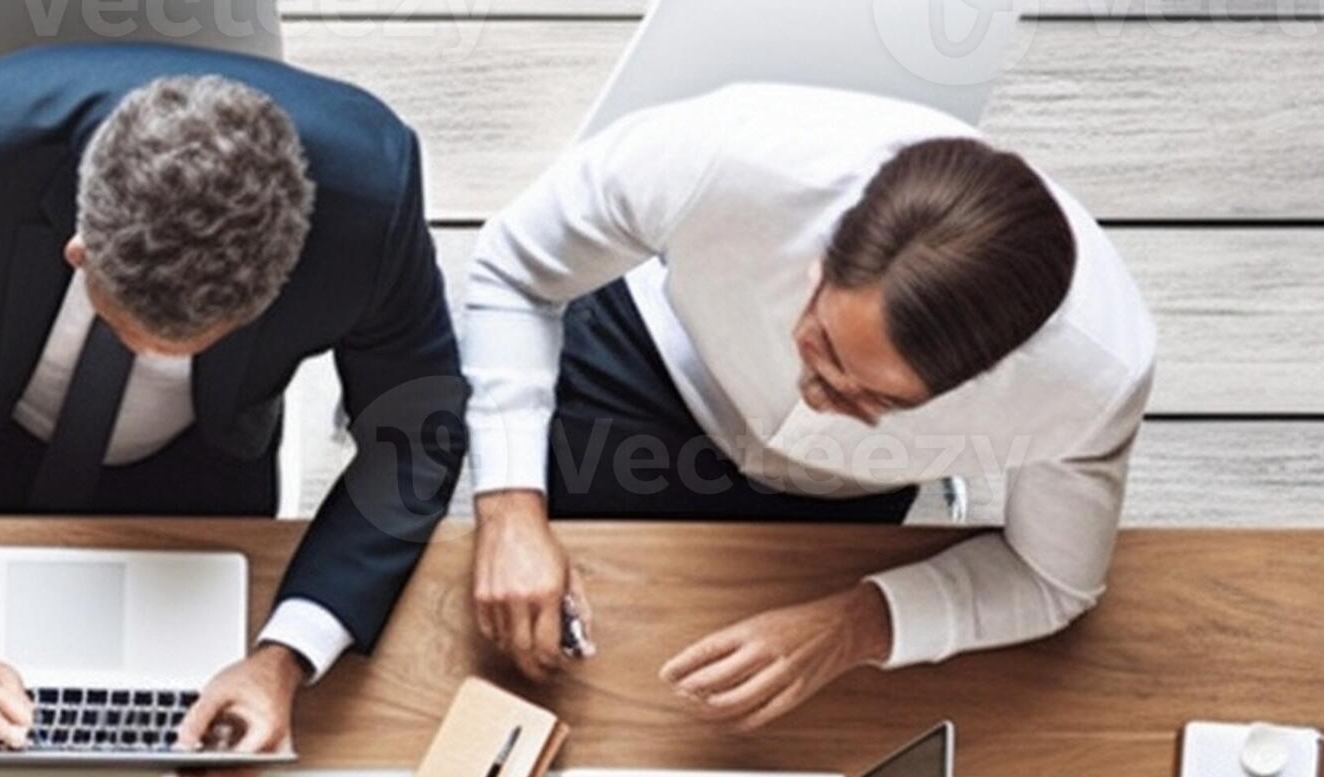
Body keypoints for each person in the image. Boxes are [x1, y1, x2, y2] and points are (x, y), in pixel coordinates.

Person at [0, 47, 466, 777]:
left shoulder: (373, 193)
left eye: (183, 347)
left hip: (203, 477)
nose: (148, 358)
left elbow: (416, 438)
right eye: (128, 328)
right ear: (78, 250)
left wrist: (287, 653)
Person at [461, 85, 1157, 727]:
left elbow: (1049, 580)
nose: (815, 400)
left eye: (874, 398)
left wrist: (857, 625)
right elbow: (512, 270)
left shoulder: (1091, 385)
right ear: (822, 261)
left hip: (838, 501)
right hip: (643, 371)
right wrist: (508, 511)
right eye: (819, 343)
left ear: (983, 380)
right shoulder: (723, 154)